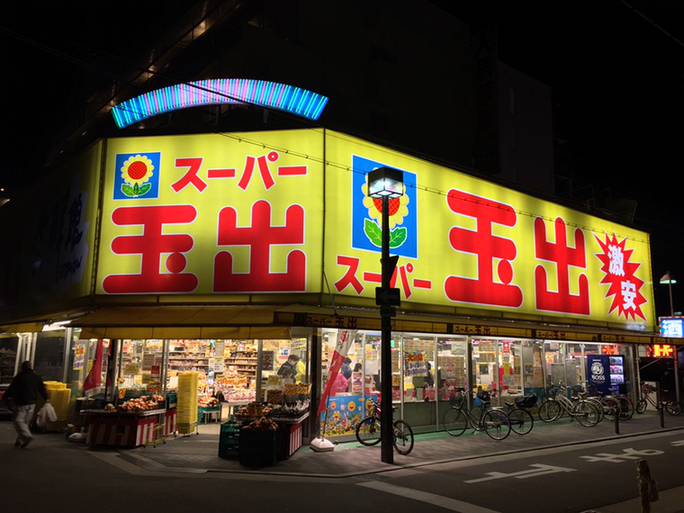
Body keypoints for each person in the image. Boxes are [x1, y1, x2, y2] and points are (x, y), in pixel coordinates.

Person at [4, 361, 49, 448]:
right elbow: (42, 389)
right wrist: (46, 398)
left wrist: (5, 397)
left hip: (21, 402)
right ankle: (20, 440)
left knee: (18, 420)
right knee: (25, 422)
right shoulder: (37, 376)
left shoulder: (20, 376)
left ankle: (27, 436)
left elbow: (12, 388)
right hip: (32, 403)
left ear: (22, 367)